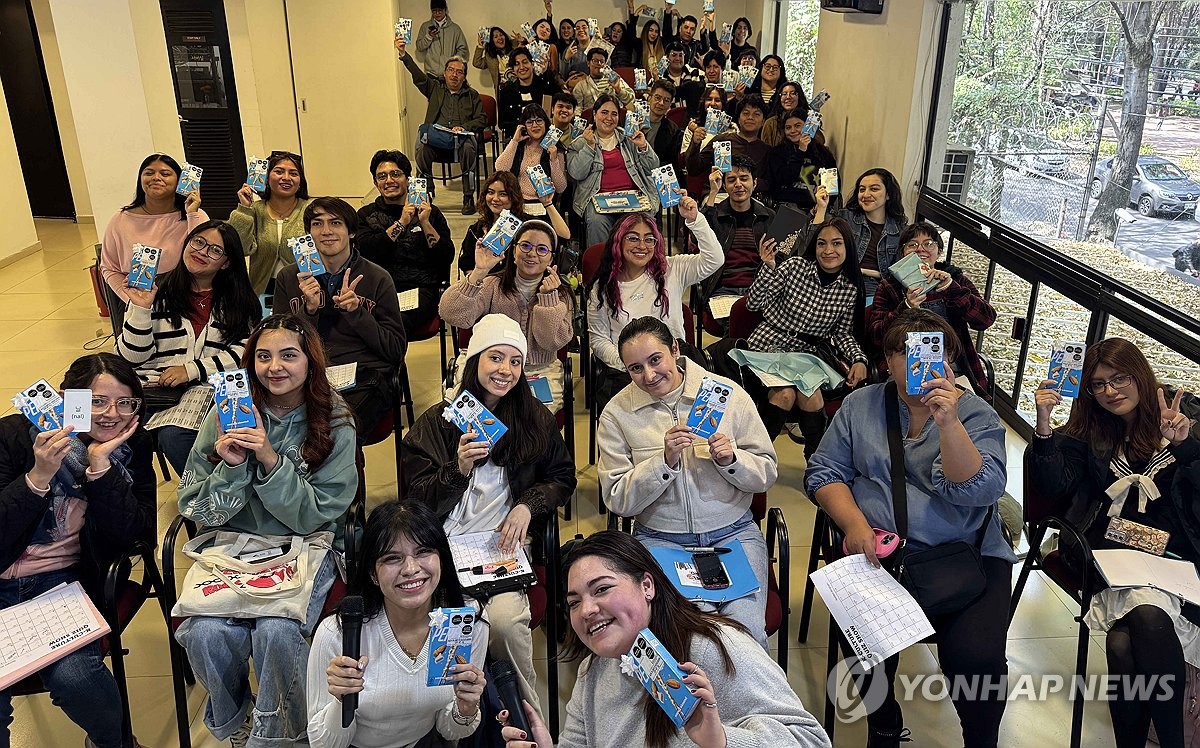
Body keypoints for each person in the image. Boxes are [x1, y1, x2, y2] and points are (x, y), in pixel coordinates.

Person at [806, 308, 1012, 748]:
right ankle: (884, 722)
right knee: (863, 647)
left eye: (930, 350)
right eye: (905, 351)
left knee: (977, 659)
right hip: (880, 554)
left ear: (948, 359)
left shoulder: (975, 413)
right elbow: (824, 471)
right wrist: (855, 524)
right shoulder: (861, 405)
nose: (918, 360)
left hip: (964, 556)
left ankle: (981, 739)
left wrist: (948, 423)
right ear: (887, 361)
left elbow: (981, 489)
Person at [176, 313, 357, 747]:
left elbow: (318, 514)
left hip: (305, 545)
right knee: (204, 633)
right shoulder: (225, 414)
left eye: (289, 355)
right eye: (263, 356)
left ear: (311, 362)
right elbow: (195, 506)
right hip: (231, 546)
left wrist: (271, 460)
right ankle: (236, 719)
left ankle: (283, 735)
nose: (274, 367)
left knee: (276, 631)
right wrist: (231, 466)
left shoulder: (334, 419)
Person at [497, 530, 832, 747]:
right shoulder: (593, 670)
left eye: (602, 589)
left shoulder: (713, 647)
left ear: (647, 586)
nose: (586, 610)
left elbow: (811, 740)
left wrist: (722, 741)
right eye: (573, 602)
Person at [402, 314, 576, 720]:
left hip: (502, 544)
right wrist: (457, 469)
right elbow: (417, 501)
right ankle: (455, 721)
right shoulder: (437, 422)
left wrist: (528, 504)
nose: (505, 370)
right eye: (495, 357)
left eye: (515, 361)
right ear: (475, 360)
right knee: (451, 627)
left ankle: (527, 721)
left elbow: (562, 476)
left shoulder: (535, 418)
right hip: (444, 546)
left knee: (506, 624)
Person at [1029, 337, 1200, 748]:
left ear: (1139, 375)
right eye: (1098, 384)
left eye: (1120, 378)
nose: (1110, 391)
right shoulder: (1090, 429)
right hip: (1113, 555)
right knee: (1146, 620)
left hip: (1177, 557)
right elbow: (1053, 488)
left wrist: (1185, 446)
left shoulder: (1183, 416)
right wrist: (1044, 425)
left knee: (1124, 643)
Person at [0, 354, 154, 748]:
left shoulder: (133, 445)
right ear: (67, 399)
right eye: (96, 401)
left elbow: (136, 534)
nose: (111, 415)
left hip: (63, 582)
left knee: (77, 677)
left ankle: (114, 743)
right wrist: (37, 477)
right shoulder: (12, 436)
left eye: (125, 402)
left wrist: (100, 468)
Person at [598, 315, 777, 642]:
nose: (649, 375)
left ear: (675, 350)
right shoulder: (616, 414)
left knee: (747, 633)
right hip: (662, 539)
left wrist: (732, 460)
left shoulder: (727, 395)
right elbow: (617, 499)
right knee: (694, 635)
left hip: (733, 533)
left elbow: (766, 472)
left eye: (656, 360)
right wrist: (662, 462)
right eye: (635, 368)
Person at [306, 501, 488, 748]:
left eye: (423, 552)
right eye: (393, 558)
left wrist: (466, 708)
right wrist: (341, 701)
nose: (411, 569)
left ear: (442, 559)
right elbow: (323, 744)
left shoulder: (467, 625)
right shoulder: (336, 633)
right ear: (373, 574)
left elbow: (449, 730)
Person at [115, 219, 261, 473]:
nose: (202, 251)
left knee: (175, 437)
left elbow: (247, 351)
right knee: (120, 435)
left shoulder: (239, 301)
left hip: (211, 388)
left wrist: (191, 370)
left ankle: (209, 492)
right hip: (155, 389)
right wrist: (140, 308)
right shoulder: (155, 291)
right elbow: (132, 357)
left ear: (226, 263)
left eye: (215, 250)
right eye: (198, 242)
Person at [273, 197, 407, 438]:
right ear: (308, 233)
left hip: (363, 376)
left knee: (334, 432)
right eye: (317, 224)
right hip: (307, 376)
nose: (326, 231)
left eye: (335, 223)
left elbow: (395, 349)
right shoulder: (289, 278)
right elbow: (278, 346)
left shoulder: (377, 278)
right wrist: (309, 311)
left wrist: (357, 313)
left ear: (351, 232)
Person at [745, 217, 869, 454]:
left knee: (813, 397)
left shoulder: (849, 289)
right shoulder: (795, 267)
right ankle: (755, 455)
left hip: (804, 355)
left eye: (836, 243)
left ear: (848, 248)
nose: (828, 250)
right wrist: (768, 267)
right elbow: (753, 304)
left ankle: (816, 462)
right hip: (768, 345)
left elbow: (842, 333)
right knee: (784, 395)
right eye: (822, 243)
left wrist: (858, 359)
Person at [586, 193, 721, 408]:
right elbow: (599, 340)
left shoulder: (672, 269)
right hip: (629, 370)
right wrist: (631, 364)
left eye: (649, 239)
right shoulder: (602, 287)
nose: (642, 245)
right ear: (618, 242)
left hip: (675, 362)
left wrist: (694, 219)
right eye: (633, 238)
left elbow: (715, 259)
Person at [441, 221, 573, 411]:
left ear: (551, 259)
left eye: (542, 249)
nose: (532, 253)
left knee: (529, 420)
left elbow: (550, 342)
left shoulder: (561, 294)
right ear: (513, 251)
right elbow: (451, 314)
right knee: (474, 415)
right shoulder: (492, 285)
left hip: (539, 370)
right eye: (525, 246)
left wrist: (548, 299)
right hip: (489, 366)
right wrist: (479, 272)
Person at [867, 222, 996, 398]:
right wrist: (906, 307)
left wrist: (952, 289)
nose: (921, 249)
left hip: (952, 368)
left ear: (939, 251)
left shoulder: (956, 280)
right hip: (904, 366)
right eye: (912, 245)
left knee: (964, 408)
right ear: (903, 253)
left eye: (928, 243)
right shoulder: (889, 286)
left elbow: (986, 319)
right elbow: (876, 336)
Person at [355, 149, 453, 337]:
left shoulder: (430, 213)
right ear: (375, 183)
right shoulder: (366, 215)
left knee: (394, 322)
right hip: (379, 289)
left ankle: (389, 355)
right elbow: (367, 252)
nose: (389, 180)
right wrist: (402, 223)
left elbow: (445, 256)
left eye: (395, 174)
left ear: (408, 179)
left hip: (421, 289)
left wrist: (425, 223)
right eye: (382, 176)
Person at [101, 153, 209, 306]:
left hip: (187, 299)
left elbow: (203, 260)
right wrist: (133, 301)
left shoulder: (196, 215)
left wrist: (192, 214)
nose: (156, 178)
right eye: (149, 173)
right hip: (135, 300)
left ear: (180, 180)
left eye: (165, 174)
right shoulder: (119, 220)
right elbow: (110, 268)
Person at [397, 38, 485, 216]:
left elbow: (482, 119)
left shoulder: (472, 95)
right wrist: (403, 54)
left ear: (464, 76)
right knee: (422, 148)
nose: (454, 75)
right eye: (451, 70)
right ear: (444, 73)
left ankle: (468, 197)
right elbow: (418, 76)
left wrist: (464, 127)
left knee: (469, 149)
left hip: (461, 143)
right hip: (437, 142)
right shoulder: (435, 88)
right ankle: (426, 194)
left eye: (459, 72)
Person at [567, 94, 661, 248]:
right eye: (604, 112)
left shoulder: (629, 137)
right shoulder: (580, 142)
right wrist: (589, 147)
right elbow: (576, 173)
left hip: (632, 197)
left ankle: (636, 260)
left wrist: (643, 146)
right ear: (594, 114)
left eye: (614, 114)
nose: (609, 118)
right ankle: (602, 262)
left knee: (643, 219)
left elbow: (652, 167)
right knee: (597, 221)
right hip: (597, 199)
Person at [810, 167, 907, 298]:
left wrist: (870, 273)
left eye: (874, 189)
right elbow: (813, 247)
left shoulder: (900, 230)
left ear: (888, 194)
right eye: (862, 190)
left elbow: (900, 275)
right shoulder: (844, 218)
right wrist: (821, 208)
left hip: (876, 290)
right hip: (840, 283)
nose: (866, 195)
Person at [228, 150, 312, 296]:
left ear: (300, 181)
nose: (286, 178)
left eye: (293, 174)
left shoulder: (311, 210)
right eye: (279, 172)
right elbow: (239, 249)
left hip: (303, 291)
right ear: (266, 177)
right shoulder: (254, 210)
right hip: (261, 292)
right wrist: (244, 210)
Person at [457, 171, 570, 275]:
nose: (495, 198)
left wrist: (548, 203)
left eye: (503, 194)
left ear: (513, 197)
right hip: (485, 285)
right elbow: (467, 264)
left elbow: (564, 235)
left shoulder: (527, 225)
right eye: (491, 192)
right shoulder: (475, 230)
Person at [700, 155, 774, 302]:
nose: (738, 184)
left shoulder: (768, 217)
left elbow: (781, 256)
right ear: (724, 186)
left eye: (744, 179)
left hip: (759, 287)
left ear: (754, 183)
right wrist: (713, 192)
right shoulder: (714, 215)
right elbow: (698, 239)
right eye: (731, 180)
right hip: (722, 289)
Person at [690, 96, 770, 198]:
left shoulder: (766, 150)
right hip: (719, 193)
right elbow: (694, 168)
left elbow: (768, 183)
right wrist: (695, 144)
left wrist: (746, 183)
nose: (750, 117)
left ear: (763, 121)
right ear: (738, 119)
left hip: (751, 196)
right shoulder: (722, 139)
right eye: (746, 113)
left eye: (756, 114)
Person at [495, 104, 568, 214]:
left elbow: (561, 187)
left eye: (539, 121)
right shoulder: (517, 146)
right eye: (529, 122)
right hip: (519, 204)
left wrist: (554, 160)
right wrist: (514, 141)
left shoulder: (556, 148)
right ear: (523, 126)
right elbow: (500, 168)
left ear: (546, 123)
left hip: (546, 205)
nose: (535, 125)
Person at [763, 109, 837, 212]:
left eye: (798, 126)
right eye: (788, 128)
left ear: (807, 126)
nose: (793, 131)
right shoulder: (777, 153)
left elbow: (832, 185)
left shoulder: (823, 153)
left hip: (818, 206)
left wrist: (823, 205)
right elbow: (783, 179)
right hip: (786, 206)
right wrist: (800, 151)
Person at [497, 48, 557, 138]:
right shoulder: (506, 92)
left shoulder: (546, 86)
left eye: (525, 62)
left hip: (544, 138)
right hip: (518, 138)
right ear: (513, 69)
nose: (521, 67)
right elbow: (502, 123)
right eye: (517, 64)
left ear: (532, 64)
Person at [416, 0, 468, 76]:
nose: (437, 13)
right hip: (431, 74)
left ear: (445, 10)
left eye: (440, 10)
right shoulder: (425, 26)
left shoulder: (455, 29)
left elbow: (463, 49)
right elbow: (419, 47)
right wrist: (429, 37)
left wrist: (453, 63)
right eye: (434, 11)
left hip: (450, 74)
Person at [646, 79, 684, 168]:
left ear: (670, 104)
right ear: (649, 98)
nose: (661, 103)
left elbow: (670, 163)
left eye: (666, 100)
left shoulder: (673, 131)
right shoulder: (633, 122)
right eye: (657, 98)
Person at [681, 86, 732, 153]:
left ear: (723, 104)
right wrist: (694, 142)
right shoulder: (693, 127)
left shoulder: (732, 129)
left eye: (717, 100)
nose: (712, 103)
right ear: (703, 102)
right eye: (709, 99)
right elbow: (684, 157)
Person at [473, 26, 515, 97]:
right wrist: (480, 46)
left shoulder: (514, 47)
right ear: (491, 41)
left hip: (519, 85)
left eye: (501, 35)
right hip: (503, 91)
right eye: (495, 37)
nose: (500, 38)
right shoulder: (490, 57)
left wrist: (523, 40)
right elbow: (477, 63)